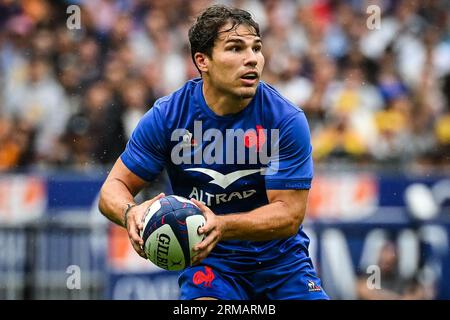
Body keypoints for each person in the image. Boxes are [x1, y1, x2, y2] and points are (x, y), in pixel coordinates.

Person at [98, 4, 328, 300]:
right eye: (235, 48)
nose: (252, 59)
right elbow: (112, 189)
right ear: (202, 60)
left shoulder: (285, 119)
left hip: (283, 265)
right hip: (211, 264)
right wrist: (130, 213)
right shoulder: (168, 117)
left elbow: (289, 215)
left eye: (256, 48)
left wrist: (223, 225)